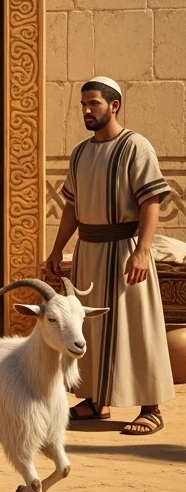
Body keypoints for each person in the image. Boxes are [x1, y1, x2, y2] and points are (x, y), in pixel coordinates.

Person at [46, 76, 174, 436]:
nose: (87, 110)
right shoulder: (81, 152)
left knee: (136, 327)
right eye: (83, 104)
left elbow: (151, 201)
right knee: (91, 328)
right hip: (89, 252)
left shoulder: (136, 147)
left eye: (94, 104)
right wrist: (58, 249)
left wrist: (142, 251)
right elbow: (71, 206)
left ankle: (151, 407)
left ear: (114, 105)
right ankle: (93, 399)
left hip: (125, 251)